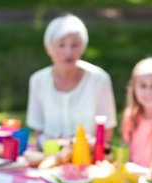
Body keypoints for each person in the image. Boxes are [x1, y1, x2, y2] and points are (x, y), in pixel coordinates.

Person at [26, 14, 117, 145]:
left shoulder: (100, 79)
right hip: (50, 156)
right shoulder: (38, 81)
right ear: (49, 48)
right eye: (61, 45)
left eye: (74, 45)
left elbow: (107, 131)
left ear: (83, 46)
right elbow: (38, 130)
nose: (68, 52)